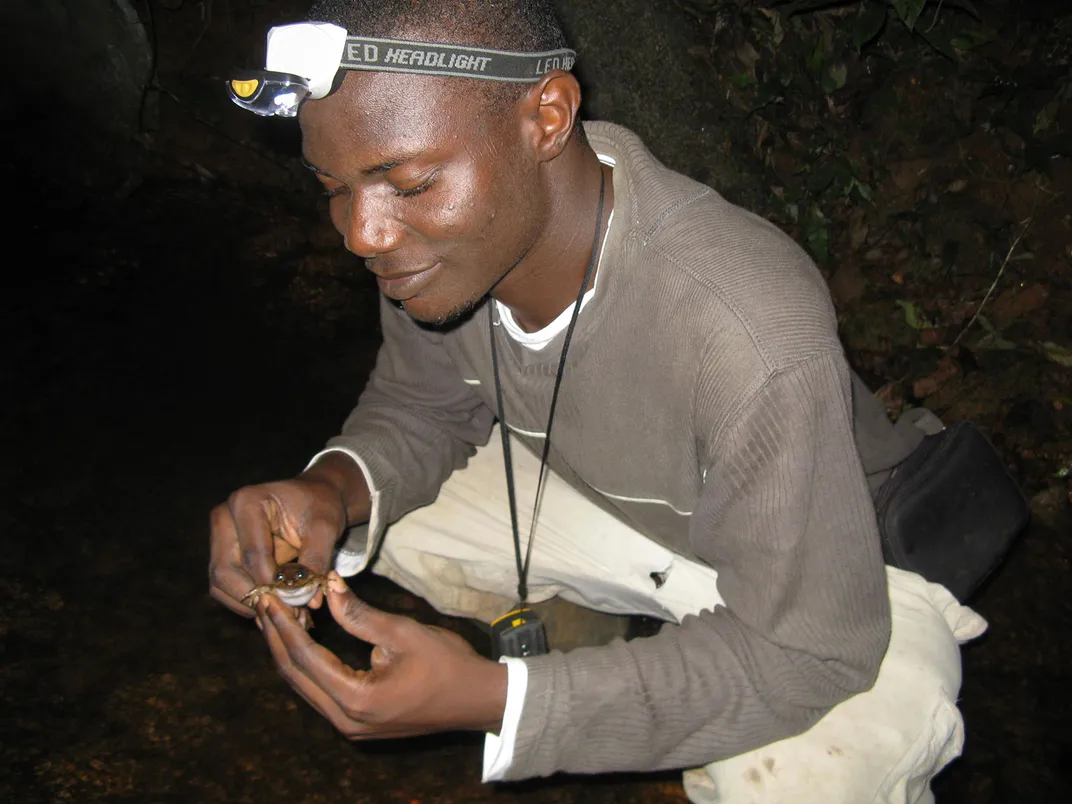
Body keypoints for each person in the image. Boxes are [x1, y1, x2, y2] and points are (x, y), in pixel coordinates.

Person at [209, 1, 988, 801]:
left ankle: (644, 682)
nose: (362, 235)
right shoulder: (446, 246)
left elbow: (810, 651)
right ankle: (596, 634)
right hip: (626, 503)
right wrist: (329, 489)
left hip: (828, 578)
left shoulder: (749, 327)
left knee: (804, 782)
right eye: (334, 187)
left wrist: (503, 703)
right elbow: (423, 402)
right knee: (385, 523)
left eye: (408, 182)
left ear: (545, 117)